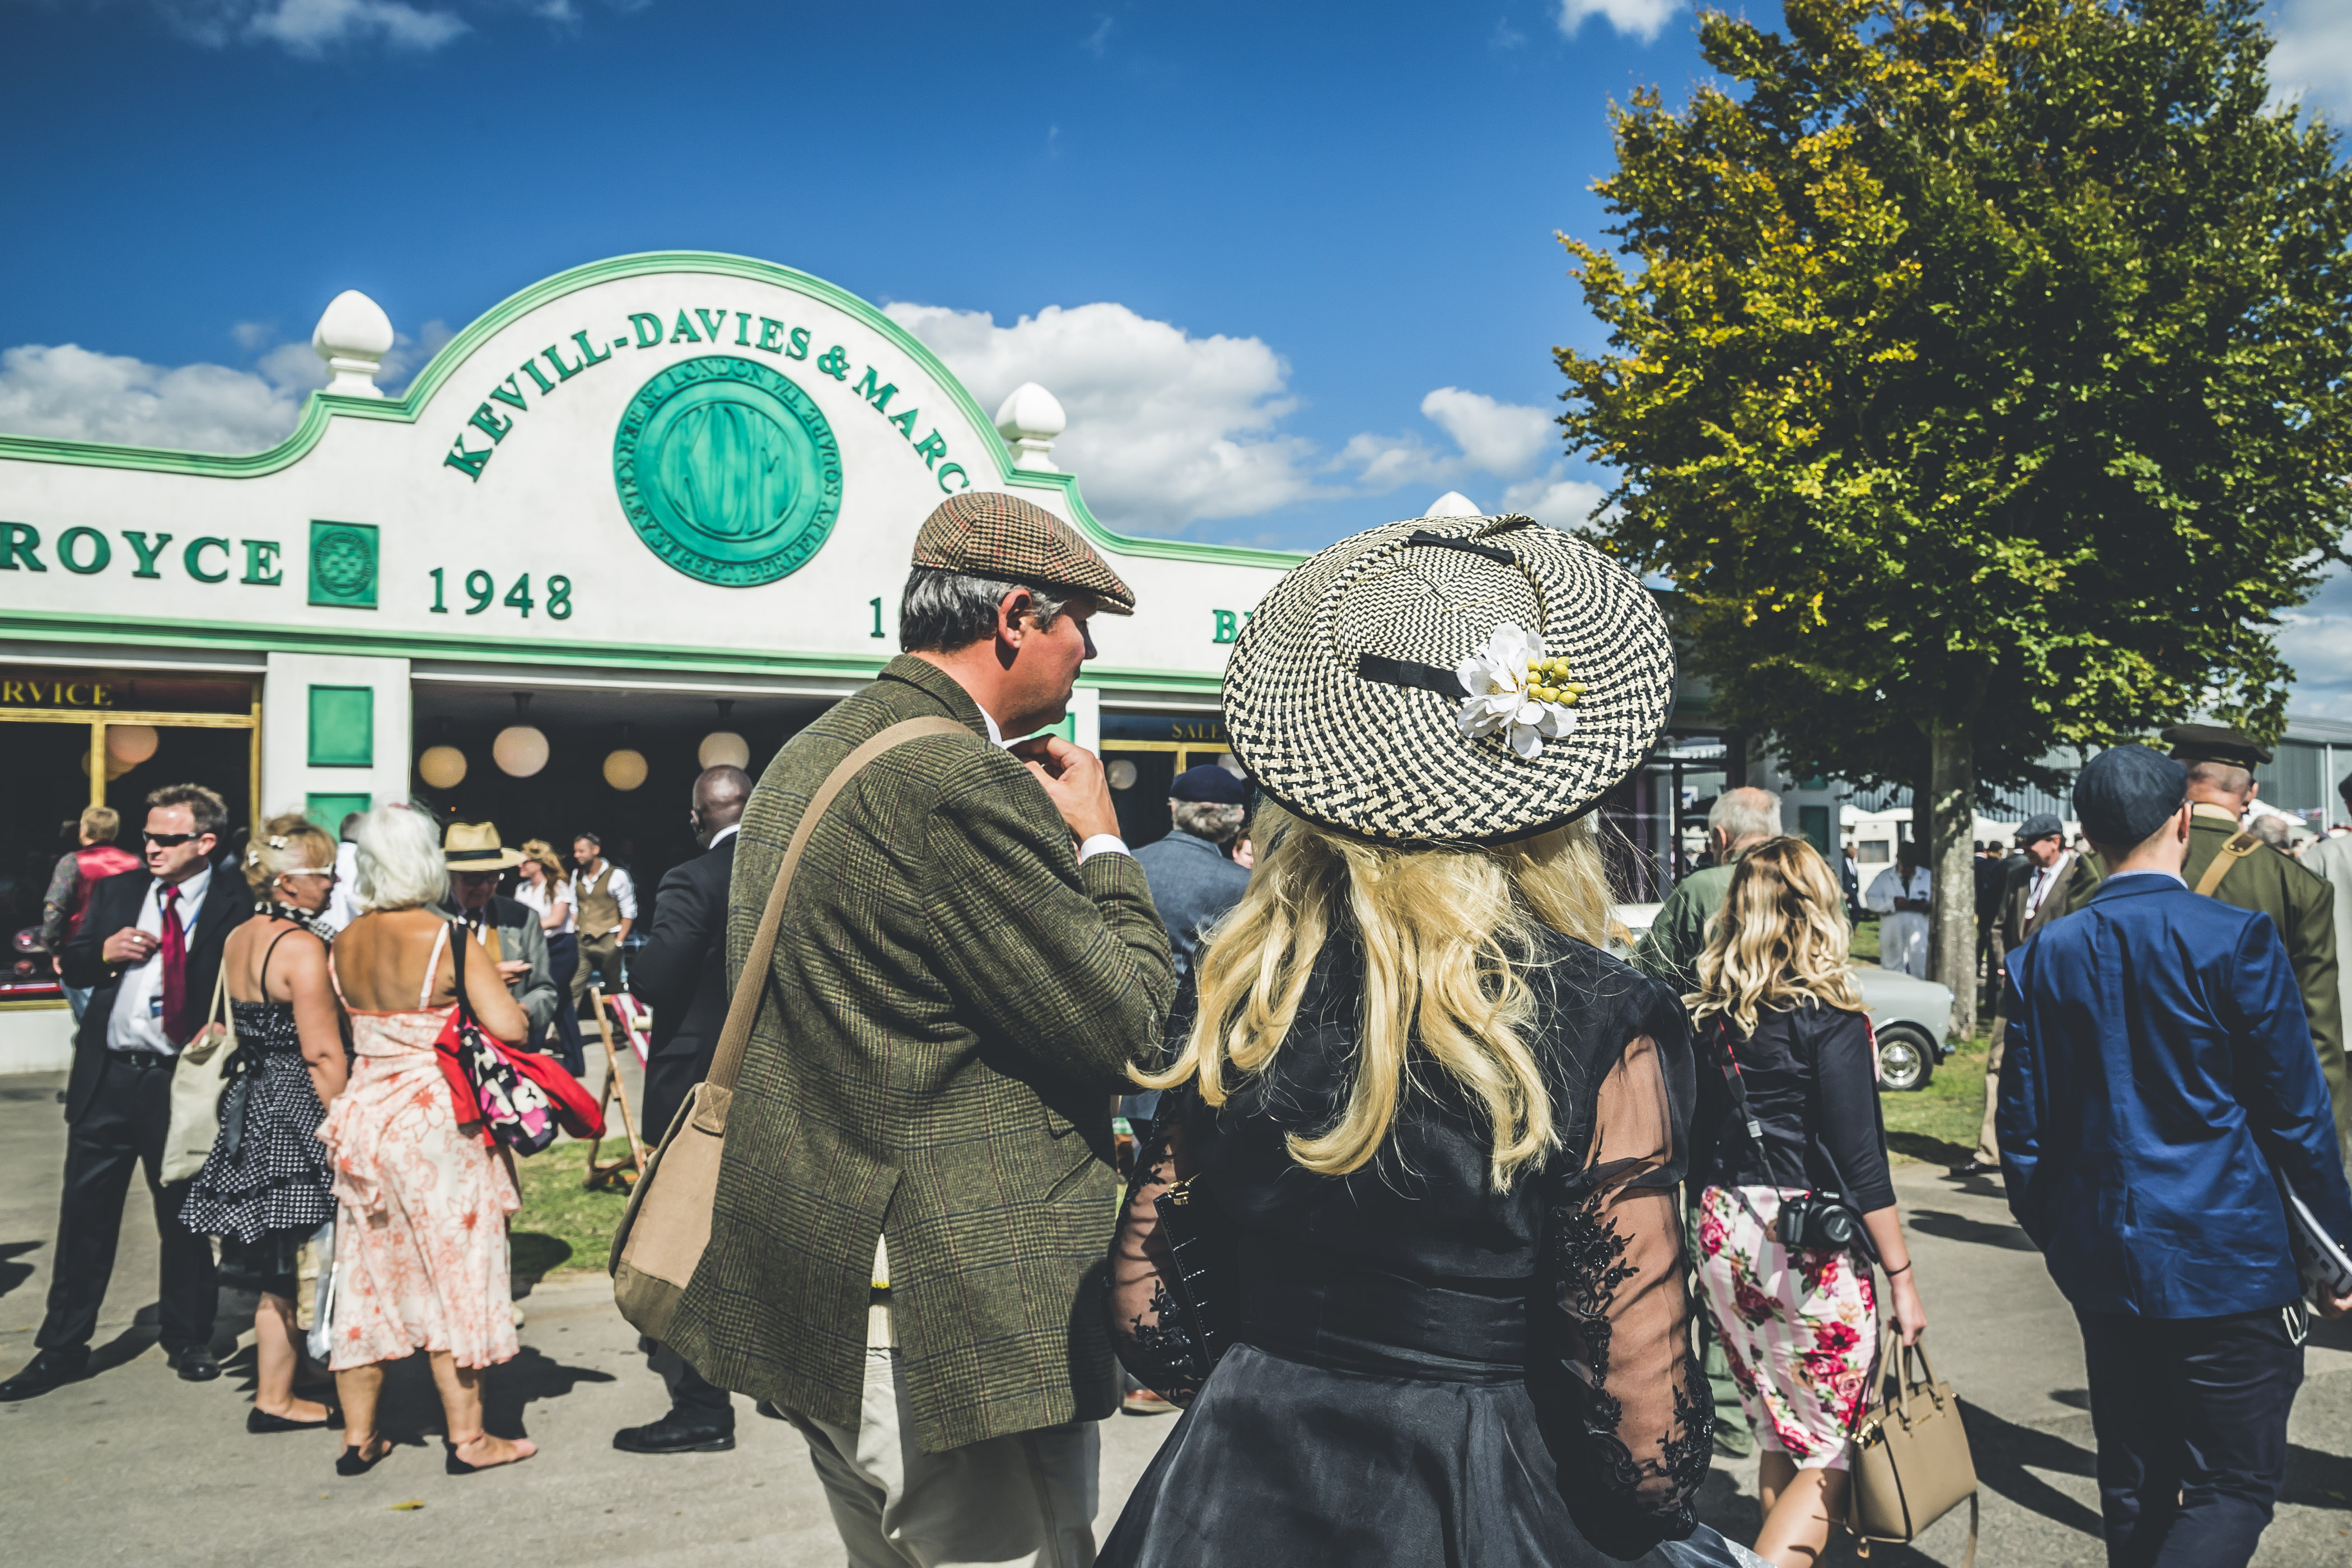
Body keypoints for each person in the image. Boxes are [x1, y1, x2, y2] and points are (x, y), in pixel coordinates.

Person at [1100, 514, 1742, 1567]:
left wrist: (1283, 1377)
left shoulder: (1243, 987)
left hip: (1231, 1489)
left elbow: (1146, 1315)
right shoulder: (1601, 1017)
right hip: (1482, 1503)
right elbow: (1647, 1451)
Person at [659, 492, 1174, 1568]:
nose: (1088, 653)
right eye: (1084, 624)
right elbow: (1132, 1027)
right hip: (946, 1306)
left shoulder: (819, 749)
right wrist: (1101, 843)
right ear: (1017, 616)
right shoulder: (952, 778)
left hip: (835, 1275)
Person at [1999, 744, 2352, 1567]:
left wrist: (2063, 1234)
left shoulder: (2044, 954)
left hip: (2106, 1257)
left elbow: (2024, 1132)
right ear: (2183, 820)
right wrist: (2334, 1252)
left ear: (2086, 835)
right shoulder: (2235, 938)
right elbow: (2296, 1114)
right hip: (2229, 1256)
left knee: (2134, 1483)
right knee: (2233, 1485)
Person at [1687, 837, 1924, 1567]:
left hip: (1725, 1227)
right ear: (1818, 908)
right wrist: (1902, 1278)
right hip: (1807, 1240)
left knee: (1775, 1426)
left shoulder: (1709, 1016)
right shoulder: (1830, 1017)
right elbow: (1862, 1163)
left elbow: (1692, 1140)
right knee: (1828, 1447)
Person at [317, 802, 536, 1477]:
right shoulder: (449, 937)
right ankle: (469, 1438)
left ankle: (359, 1436)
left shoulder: (342, 941)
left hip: (365, 1112)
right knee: (456, 1268)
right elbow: (512, 1027)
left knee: (366, 1273)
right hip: (437, 1118)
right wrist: (494, 992)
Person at [1, 783, 237, 1401]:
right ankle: (62, 1347)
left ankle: (189, 1336)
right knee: (86, 1218)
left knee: (184, 1216)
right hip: (108, 1076)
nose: (151, 847)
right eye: (148, 835)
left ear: (205, 842)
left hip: (177, 1080)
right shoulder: (121, 890)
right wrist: (102, 952)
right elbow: (74, 959)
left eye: (167, 838)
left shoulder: (234, 903)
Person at [178, 814, 348, 1433]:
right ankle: (275, 1397)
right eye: (323, 873)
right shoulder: (301, 947)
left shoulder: (240, 935)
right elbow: (322, 1053)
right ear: (286, 882)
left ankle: (296, 1370)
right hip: (294, 1106)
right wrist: (346, 1122)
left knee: (277, 1251)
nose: (332, 883)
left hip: (250, 1101)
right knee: (289, 1258)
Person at [1630, 783, 1781, 1460]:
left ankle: (1724, 1395)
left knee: (1709, 1237)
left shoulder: (1699, 889)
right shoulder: (1807, 879)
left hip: (1715, 1086)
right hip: (1793, 1094)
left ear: (1720, 837)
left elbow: (1649, 979)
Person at [613, 762, 751, 1458]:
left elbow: (656, 977)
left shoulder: (693, 879)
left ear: (699, 819)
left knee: (684, 1240)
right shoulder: (794, 869)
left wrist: (630, 963)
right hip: (780, 1081)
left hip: (701, 1085)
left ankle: (701, 1406)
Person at [1952, 812, 2089, 1178]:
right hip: (2013, 989)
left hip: (2055, 992)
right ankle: (1989, 1151)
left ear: (2055, 842)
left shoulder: (2079, 877)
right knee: (1998, 1066)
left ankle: (2053, 1150)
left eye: (2030, 843)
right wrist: (2003, 965)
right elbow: (1997, 928)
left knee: (2056, 1069)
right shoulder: (2018, 876)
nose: (2023, 849)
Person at [1634, 785, 1782, 999]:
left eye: (1712, 842)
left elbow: (1645, 969)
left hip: (1723, 1016)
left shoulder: (1700, 888)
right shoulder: (1813, 882)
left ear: (1721, 838)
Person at [438, 822, 559, 1051]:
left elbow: (545, 990)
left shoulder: (523, 918)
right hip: (447, 1048)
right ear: (450, 876)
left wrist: (520, 1013)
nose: (484, 887)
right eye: (473, 879)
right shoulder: (430, 919)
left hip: (507, 1051)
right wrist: (488, 979)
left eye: (493, 877)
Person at [40, 804, 140, 1021]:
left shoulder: (72, 862)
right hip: (125, 951)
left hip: (81, 951)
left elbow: (54, 910)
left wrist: (54, 948)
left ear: (83, 830)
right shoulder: (135, 863)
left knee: (89, 1022)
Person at [513, 839, 585, 1073]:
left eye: (524, 861)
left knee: (545, 999)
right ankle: (575, 1063)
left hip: (560, 949)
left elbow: (556, 919)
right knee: (563, 1005)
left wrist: (528, 930)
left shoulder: (558, 885)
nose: (519, 866)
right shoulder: (522, 889)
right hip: (537, 949)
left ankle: (529, 1056)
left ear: (539, 863)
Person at [569, 831, 635, 1018]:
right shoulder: (577, 875)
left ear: (595, 850)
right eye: (575, 851)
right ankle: (564, 1031)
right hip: (583, 939)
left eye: (581, 851)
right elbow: (575, 908)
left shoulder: (617, 875)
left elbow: (629, 911)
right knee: (573, 986)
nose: (576, 855)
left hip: (608, 938)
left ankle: (620, 1028)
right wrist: (572, 934)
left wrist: (619, 941)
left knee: (614, 989)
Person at [1863, 838, 1930, 977]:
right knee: (1892, 972)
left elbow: (1936, 901)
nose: (1909, 870)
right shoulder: (1884, 877)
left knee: (1920, 971)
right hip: (1893, 933)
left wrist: (1926, 906)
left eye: (1912, 867)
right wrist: (1893, 903)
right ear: (1898, 860)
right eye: (1905, 866)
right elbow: (1872, 900)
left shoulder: (1927, 876)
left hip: (1919, 932)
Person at [321, 811, 364, 934]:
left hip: (325, 926)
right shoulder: (356, 859)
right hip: (342, 930)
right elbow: (354, 896)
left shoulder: (331, 855)